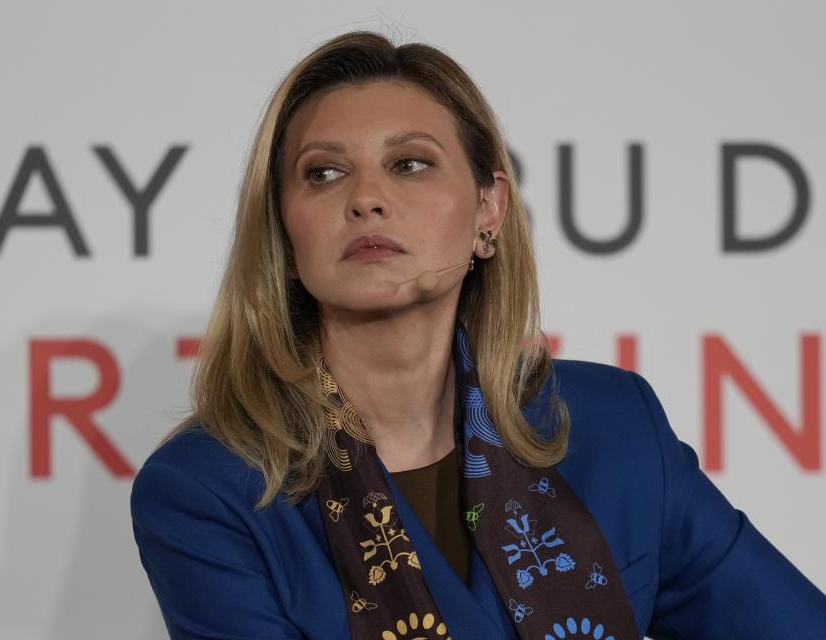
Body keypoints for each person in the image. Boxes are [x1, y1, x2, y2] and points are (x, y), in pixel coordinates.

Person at [130, 30, 826, 639]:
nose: (366, 197)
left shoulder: (614, 429)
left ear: (488, 211)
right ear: (283, 233)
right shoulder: (209, 491)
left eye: (410, 164)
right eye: (325, 173)